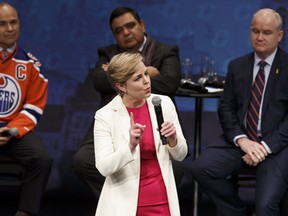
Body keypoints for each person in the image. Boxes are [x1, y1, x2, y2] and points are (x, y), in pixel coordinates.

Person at [72, 6, 184, 202]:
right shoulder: (106, 52)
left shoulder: (165, 51)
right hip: (115, 118)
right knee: (83, 161)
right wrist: (151, 70)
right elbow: (99, 81)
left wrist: (124, 75)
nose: (126, 32)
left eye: (130, 25)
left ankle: (145, 196)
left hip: (154, 117)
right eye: (118, 30)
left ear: (142, 25)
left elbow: (169, 83)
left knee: (176, 166)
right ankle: (122, 200)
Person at [191, 8, 288, 216]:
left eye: (267, 32)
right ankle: (238, 212)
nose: (259, 37)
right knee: (201, 168)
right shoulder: (237, 66)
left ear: (280, 36)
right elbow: (225, 108)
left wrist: (265, 147)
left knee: (264, 207)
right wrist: (242, 140)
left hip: (277, 146)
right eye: (255, 31)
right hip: (241, 141)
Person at [94, 52, 187, 216]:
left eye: (146, 73)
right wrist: (129, 146)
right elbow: (104, 167)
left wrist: (174, 140)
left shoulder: (163, 103)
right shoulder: (106, 115)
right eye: (137, 78)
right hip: (124, 204)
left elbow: (180, 155)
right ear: (122, 86)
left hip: (162, 200)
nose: (146, 81)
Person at [0, 3, 52, 216]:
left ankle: (25, 213)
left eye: (13, 22)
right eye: (2, 24)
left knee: (42, 159)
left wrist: (9, 131)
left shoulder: (32, 65)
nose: (10, 28)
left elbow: (33, 107)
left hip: (13, 132)